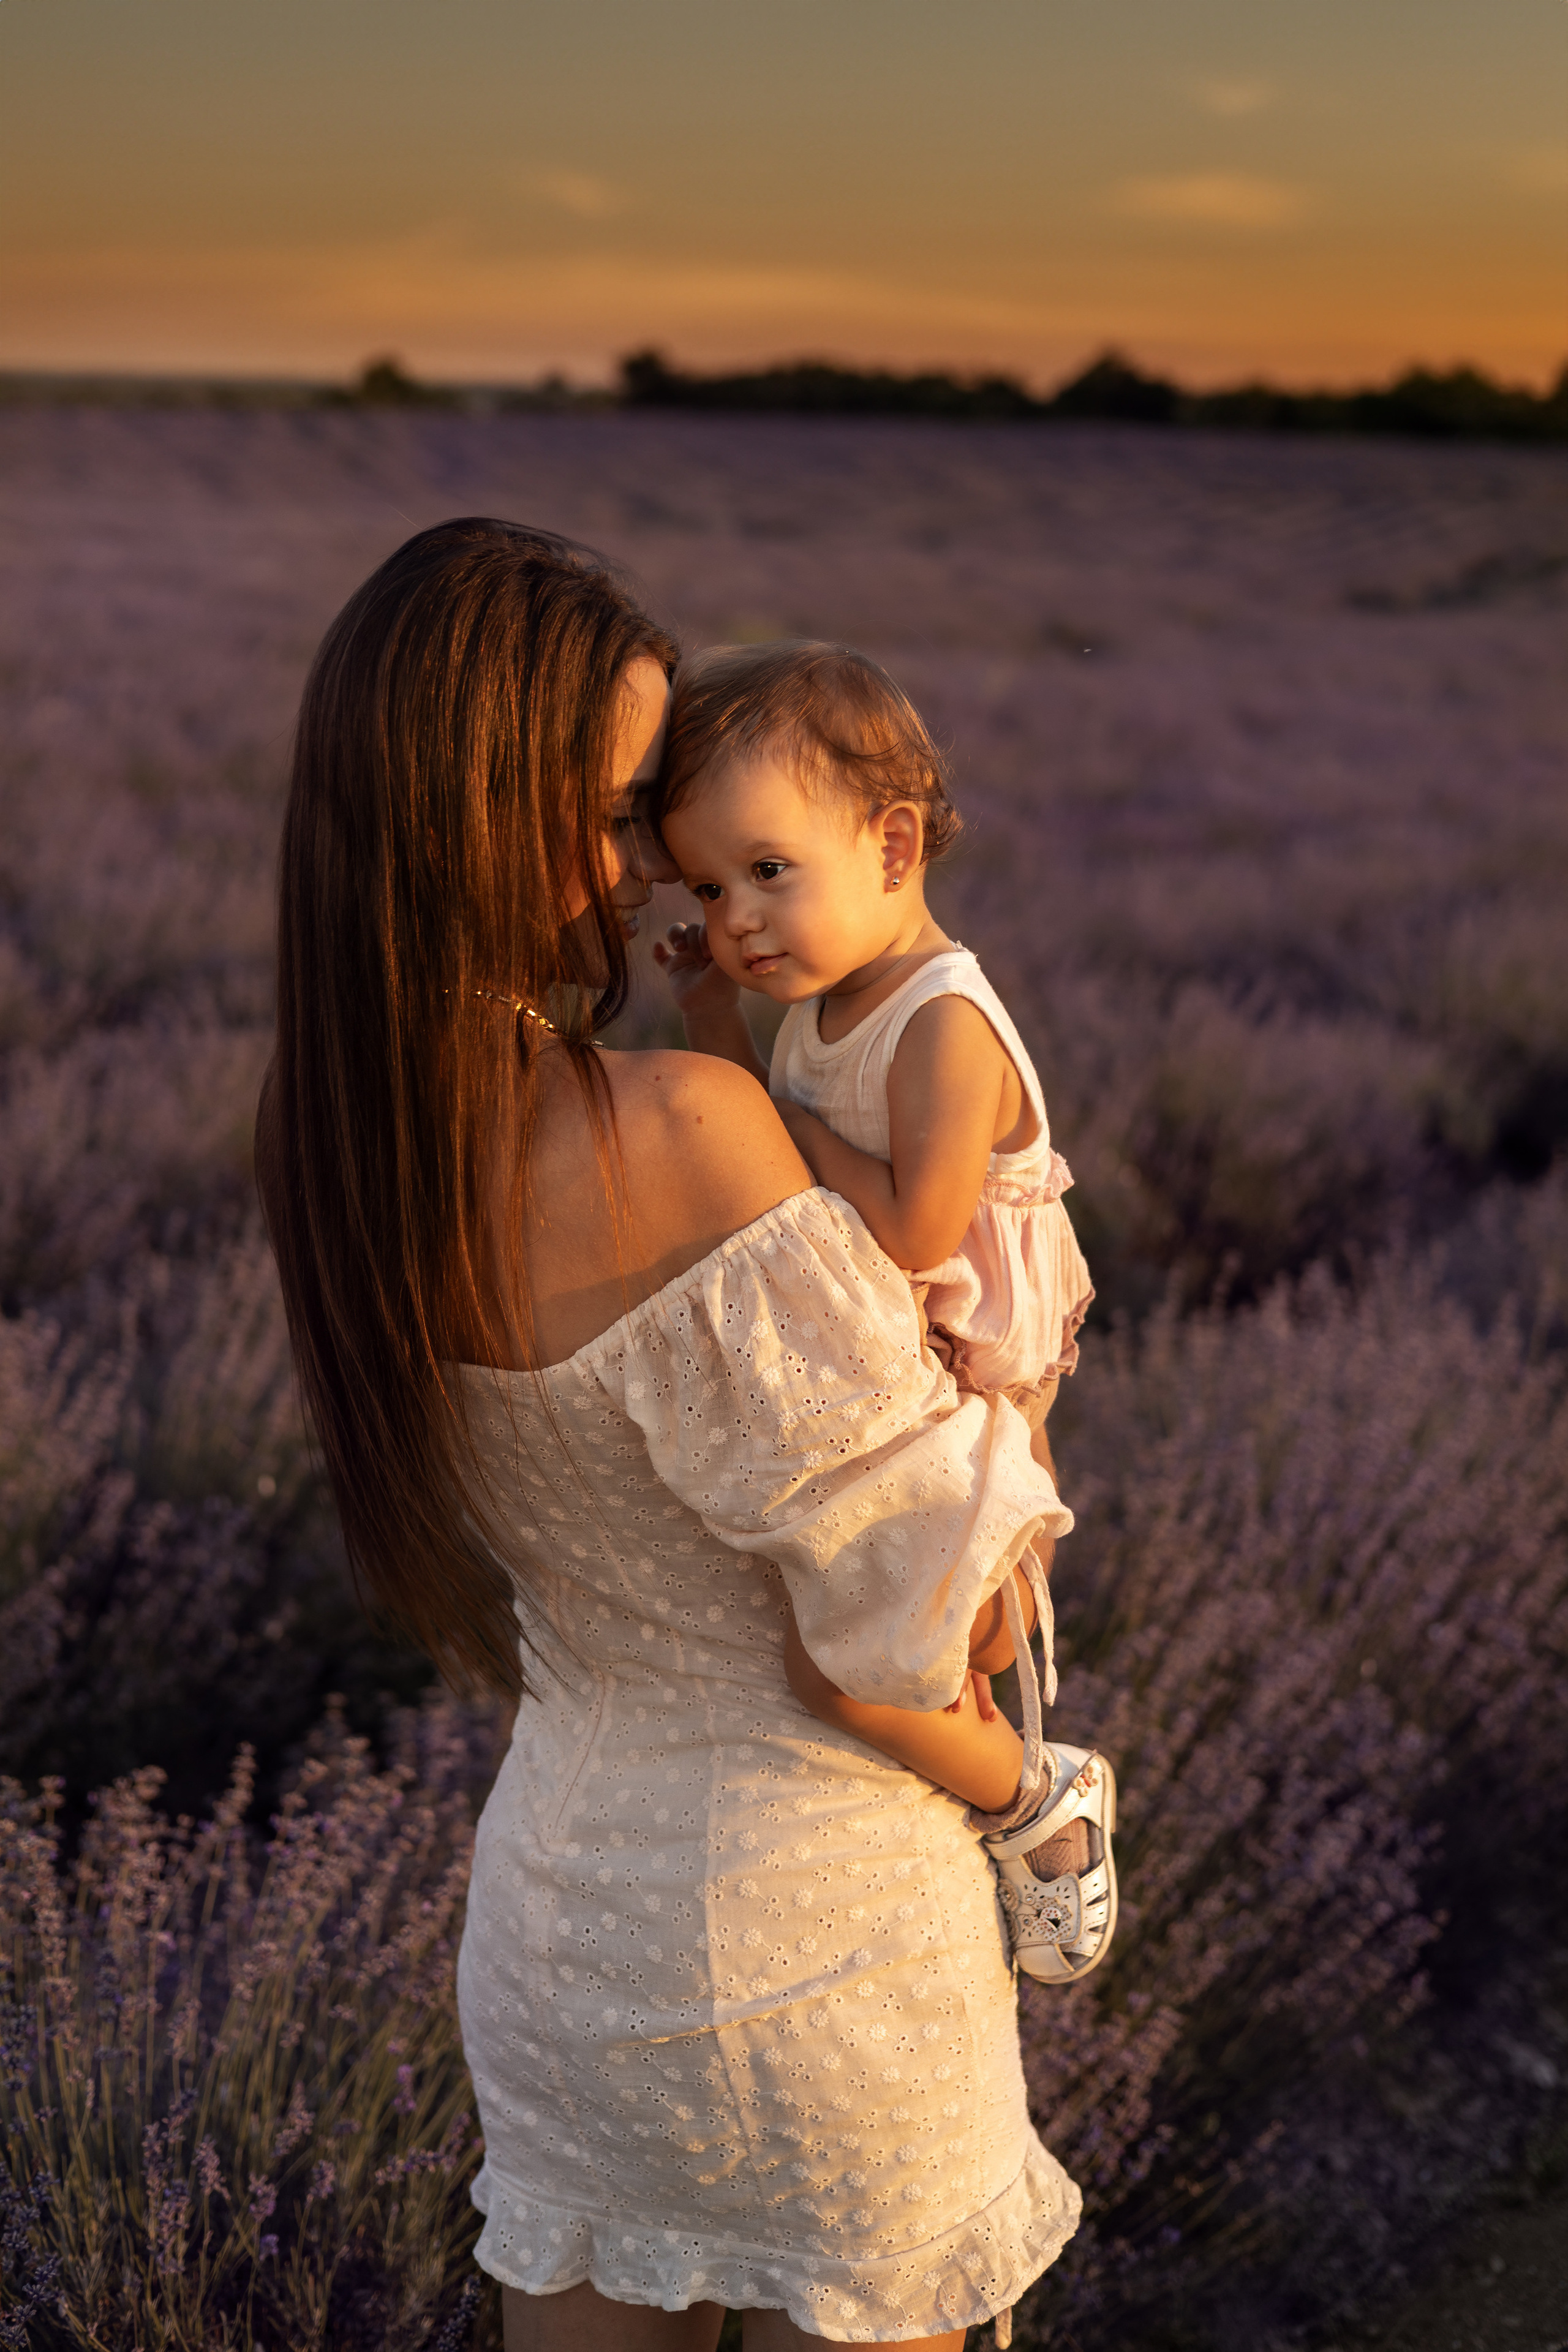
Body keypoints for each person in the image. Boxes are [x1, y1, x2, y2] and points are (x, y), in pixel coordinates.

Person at [255, 519, 1092, 2352]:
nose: (654, 870)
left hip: (560, 1930)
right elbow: (921, 1619)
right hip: (822, 1939)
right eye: (625, 806)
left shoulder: (345, 1147)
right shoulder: (693, 1131)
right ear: (487, 813)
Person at [652, 643, 1112, 1986]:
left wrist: (771, 1123)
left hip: (985, 1373)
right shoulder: (815, 999)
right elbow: (763, 1148)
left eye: (767, 872)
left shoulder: (938, 1025)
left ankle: (1040, 1806)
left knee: (855, 1672)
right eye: (707, 885)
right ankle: (987, 1751)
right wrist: (707, 1015)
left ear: (893, 845)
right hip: (908, 1369)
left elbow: (911, 1228)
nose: (736, 915)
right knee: (904, 1646)